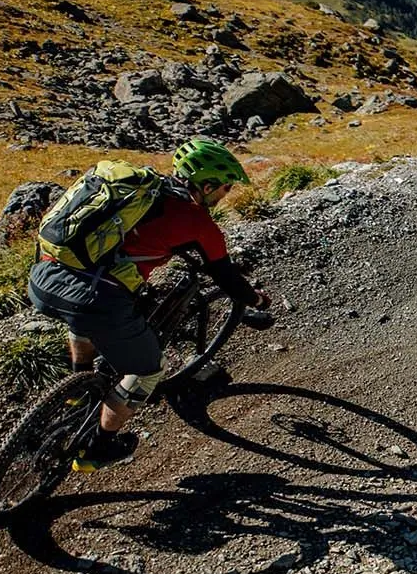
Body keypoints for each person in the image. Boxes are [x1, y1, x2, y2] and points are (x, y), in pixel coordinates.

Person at [28, 138, 269, 471]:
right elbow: (225, 275)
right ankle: (97, 448)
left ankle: (79, 385)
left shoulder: (139, 191)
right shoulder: (197, 222)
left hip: (43, 276)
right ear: (208, 184)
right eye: (225, 188)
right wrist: (256, 299)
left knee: (83, 315)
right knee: (147, 371)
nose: (225, 195)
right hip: (92, 297)